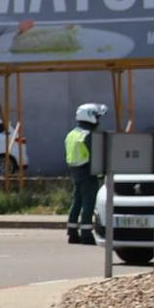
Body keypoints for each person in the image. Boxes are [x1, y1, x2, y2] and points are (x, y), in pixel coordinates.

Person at [65, 103, 107, 245]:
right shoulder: (88, 135)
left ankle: (72, 232)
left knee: (76, 201)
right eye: (96, 116)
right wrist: (103, 171)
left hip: (75, 171)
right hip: (88, 171)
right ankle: (86, 234)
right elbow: (96, 155)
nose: (98, 120)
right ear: (89, 117)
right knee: (88, 203)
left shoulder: (72, 134)